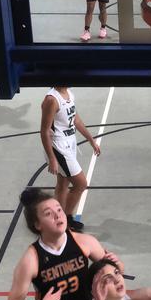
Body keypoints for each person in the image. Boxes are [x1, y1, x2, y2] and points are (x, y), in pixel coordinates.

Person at [39, 87, 100, 232]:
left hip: (69, 142)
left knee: (62, 185)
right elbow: (44, 131)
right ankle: (66, 219)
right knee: (81, 184)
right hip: (58, 147)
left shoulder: (68, 93)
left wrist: (91, 140)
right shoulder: (51, 99)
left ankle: (56, 221)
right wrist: (52, 158)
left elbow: (76, 119)